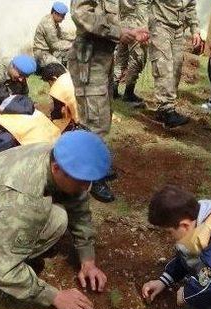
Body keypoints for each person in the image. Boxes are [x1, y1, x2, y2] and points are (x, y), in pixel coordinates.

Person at [0, 131, 111, 309]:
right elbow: (6, 272)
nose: (86, 187)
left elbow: (78, 206)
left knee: (57, 213)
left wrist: (87, 261)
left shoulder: (59, 157)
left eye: (89, 181)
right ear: (56, 169)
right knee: (55, 219)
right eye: (81, 181)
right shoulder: (24, 198)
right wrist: (54, 296)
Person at [68, 0, 149, 202]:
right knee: (93, 119)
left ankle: (95, 164)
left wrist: (128, 31)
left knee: (103, 117)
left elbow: (111, 18)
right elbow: (81, 15)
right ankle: (90, 176)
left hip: (103, 58)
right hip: (89, 58)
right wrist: (117, 32)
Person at [0, 81, 61, 166]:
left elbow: (0, 151)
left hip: (42, 159)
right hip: (58, 148)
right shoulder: (26, 106)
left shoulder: (4, 120)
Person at [149, 0, 201, 128]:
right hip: (160, 24)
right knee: (163, 66)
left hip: (178, 29)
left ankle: (165, 108)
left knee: (176, 68)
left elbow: (190, 6)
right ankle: (166, 109)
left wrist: (195, 29)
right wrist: (143, 26)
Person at [33, 1, 75, 67]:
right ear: (55, 13)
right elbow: (55, 45)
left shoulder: (53, 21)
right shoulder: (48, 24)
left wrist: (76, 38)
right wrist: (73, 45)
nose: (63, 18)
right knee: (59, 69)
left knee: (71, 52)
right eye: (62, 16)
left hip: (50, 52)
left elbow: (62, 34)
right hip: (42, 54)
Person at [39, 62, 79, 131]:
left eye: (49, 83)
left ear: (54, 78)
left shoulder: (57, 87)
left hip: (78, 122)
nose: (50, 86)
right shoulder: (70, 76)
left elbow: (57, 114)